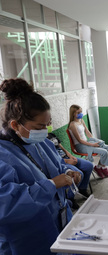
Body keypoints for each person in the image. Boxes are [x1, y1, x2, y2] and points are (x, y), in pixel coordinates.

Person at [0, 78, 79, 254]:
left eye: (48, 123)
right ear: (15, 125)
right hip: (26, 241)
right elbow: (5, 205)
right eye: (40, 126)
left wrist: (68, 172)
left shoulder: (41, 142)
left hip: (60, 225)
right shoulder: (3, 156)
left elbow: (57, 166)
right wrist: (51, 185)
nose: (46, 129)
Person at [47, 119, 93, 208]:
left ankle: (83, 189)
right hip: (61, 162)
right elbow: (52, 160)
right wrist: (67, 161)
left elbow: (61, 147)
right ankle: (70, 197)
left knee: (89, 165)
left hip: (66, 157)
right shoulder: (41, 140)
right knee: (79, 175)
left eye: (50, 122)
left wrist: (69, 155)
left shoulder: (51, 135)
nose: (49, 124)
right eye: (47, 123)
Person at [68, 104, 108, 178]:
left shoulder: (81, 121)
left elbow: (88, 133)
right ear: (73, 114)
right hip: (80, 146)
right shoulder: (72, 124)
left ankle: (100, 167)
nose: (80, 114)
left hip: (87, 143)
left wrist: (94, 140)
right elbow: (80, 140)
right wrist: (92, 145)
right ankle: (101, 168)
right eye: (78, 113)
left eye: (81, 112)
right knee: (104, 152)